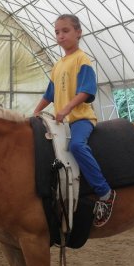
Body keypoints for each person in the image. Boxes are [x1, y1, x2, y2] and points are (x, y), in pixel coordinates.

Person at [33, 14, 116, 228]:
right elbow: (49, 94)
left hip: (80, 119)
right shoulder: (58, 65)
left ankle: (105, 193)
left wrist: (67, 108)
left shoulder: (82, 59)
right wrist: (35, 112)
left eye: (65, 31)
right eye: (57, 32)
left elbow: (87, 91)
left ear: (78, 33)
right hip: (62, 122)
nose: (60, 36)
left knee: (77, 146)